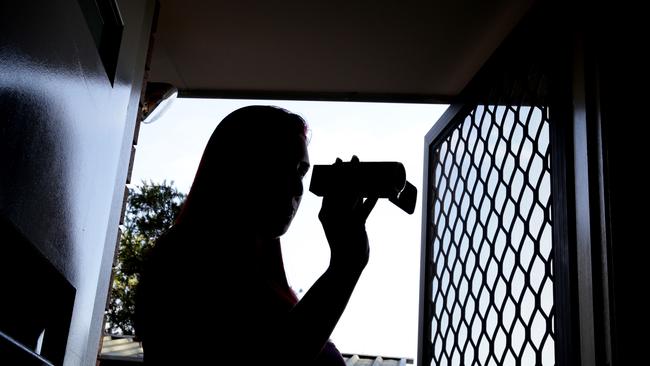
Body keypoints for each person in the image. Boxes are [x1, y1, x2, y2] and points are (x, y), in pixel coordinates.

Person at [135, 105, 378, 365]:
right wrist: (346, 265)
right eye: (282, 166)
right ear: (240, 166)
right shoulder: (183, 262)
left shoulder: (268, 285)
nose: (297, 186)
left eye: (301, 171)